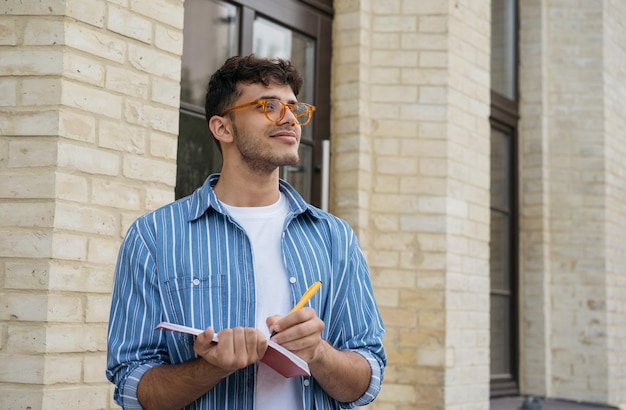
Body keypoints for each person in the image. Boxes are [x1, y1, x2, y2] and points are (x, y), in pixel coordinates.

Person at [106, 54, 386, 410]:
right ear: (222, 128)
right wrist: (210, 367)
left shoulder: (334, 237)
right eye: (268, 105)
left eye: (293, 108)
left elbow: (367, 380)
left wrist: (318, 352)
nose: (289, 118)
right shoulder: (154, 237)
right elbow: (134, 388)